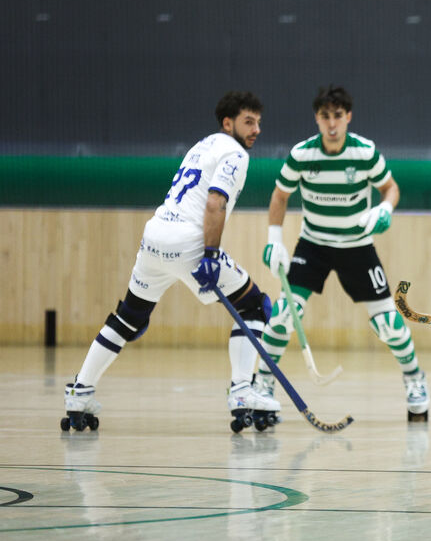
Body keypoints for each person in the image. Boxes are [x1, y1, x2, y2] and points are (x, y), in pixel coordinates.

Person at [62, 91, 280, 432]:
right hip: (189, 245)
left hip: (155, 236)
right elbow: (213, 204)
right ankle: (241, 390)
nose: (256, 130)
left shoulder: (201, 145)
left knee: (129, 317)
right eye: (248, 122)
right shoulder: (235, 153)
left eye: (258, 123)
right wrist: (209, 255)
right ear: (228, 123)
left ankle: (80, 390)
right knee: (255, 306)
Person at [259, 84, 429, 421]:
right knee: (283, 315)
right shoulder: (302, 154)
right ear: (317, 120)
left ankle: (415, 379)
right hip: (314, 245)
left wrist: (384, 210)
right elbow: (280, 195)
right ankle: (262, 386)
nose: (332, 124)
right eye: (325, 117)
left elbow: (390, 188)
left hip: (357, 246)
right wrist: (274, 237)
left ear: (348, 117)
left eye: (338, 116)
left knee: (388, 324)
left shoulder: (365, 152)